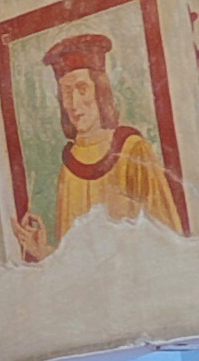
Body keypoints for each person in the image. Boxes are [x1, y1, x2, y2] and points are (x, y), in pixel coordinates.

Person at [14, 32, 190, 259]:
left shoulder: (132, 150)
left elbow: (168, 240)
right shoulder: (69, 168)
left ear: (100, 90)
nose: (75, 103)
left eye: (82, 89)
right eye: (66, 93)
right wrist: (45, 252)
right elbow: (78, 264)